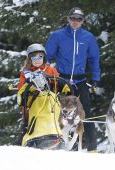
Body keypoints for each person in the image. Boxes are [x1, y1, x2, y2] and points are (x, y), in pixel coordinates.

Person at [45, 7, 101, 152]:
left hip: (80, 80)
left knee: (85, 112)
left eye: (79, 19)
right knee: (57, 110)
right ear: (68, 19)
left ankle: (92, 147)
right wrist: (45, 73)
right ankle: (57, 142)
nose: (75, 22)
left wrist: (95, 78)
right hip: (61, 80)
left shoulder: (88, 37)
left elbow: (94, 59)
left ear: (82, 21)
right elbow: (48, 57)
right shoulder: (57, 35)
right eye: (73, 19)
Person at [15, 43, 59, 146]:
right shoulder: (25, 72)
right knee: (29, 119)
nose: (37, 60)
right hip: (32, 101)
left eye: (40, 57)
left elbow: (58, 84)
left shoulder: (50, 70)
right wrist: (29, 85)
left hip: (49, 101)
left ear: (44, 57)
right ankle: (26, 136)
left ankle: (54, 134)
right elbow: (21, 88)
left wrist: (52, 82)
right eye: (34, 57)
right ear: (30, 59)